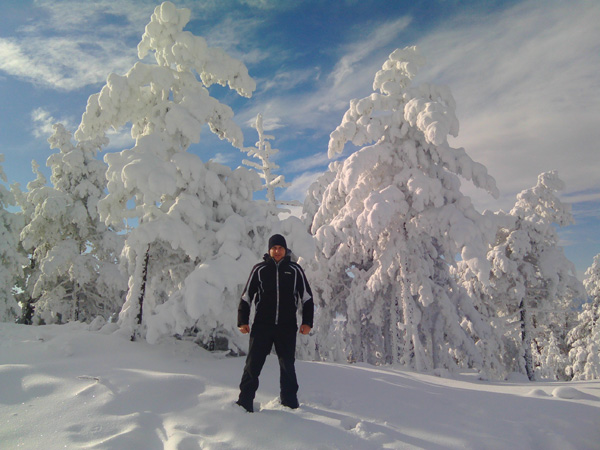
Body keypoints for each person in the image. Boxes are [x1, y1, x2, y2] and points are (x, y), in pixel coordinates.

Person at [236, 234, 314, 413]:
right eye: (274, 248)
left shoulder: (295, 270)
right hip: (262, 326)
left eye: (280, 248)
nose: (277, 251)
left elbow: (307, 298)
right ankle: (244, 402)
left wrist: (307, 322)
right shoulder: (260, 269)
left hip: (286, 327)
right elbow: (246, 296)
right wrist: (242, 320)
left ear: (285, 250)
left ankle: (290, 403)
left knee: (287, 365)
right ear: (269, 250)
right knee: (252, 365)